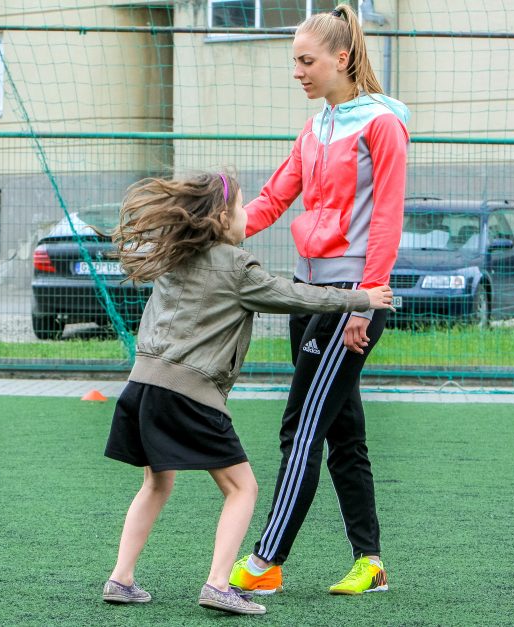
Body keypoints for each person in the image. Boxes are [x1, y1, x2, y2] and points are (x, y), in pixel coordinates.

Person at [101, 172, 394, 616]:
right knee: (243, 488)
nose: (248, 215)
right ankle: (219, 584)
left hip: (140, 388)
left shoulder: (174, 257)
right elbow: (294, 295)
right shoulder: (237, 265)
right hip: (188, 394)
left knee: (156, 482)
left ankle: (120, 578)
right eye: (242, 208)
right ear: (222, 218)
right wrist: (362, 299)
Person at [228, 5, 410, 597]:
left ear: (342, 58)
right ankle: (371, 562)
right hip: (310, 298)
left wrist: (362, 306)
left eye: (306, 61)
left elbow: (386, 218)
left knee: (301, 427)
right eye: (295, 62)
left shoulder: (382, 124)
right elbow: (271, 200)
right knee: (342, 432)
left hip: (350, 301)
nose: (298, 72)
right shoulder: (316, 128)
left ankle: (265, 562)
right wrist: (206, 229)